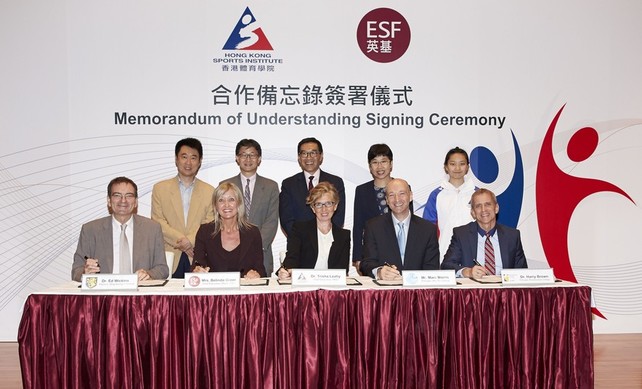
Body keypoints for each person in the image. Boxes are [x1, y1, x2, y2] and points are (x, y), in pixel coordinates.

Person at [72, 177, 169, 281]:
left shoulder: (152, 229)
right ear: (109, 200)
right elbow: (76, 271)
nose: (123, 201)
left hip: (139, 293)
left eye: (129, 196)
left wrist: (149, 274)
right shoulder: (90, 230)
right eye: (117, 195)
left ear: (136, 202)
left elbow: (162, 269)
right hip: (104, 294)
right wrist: (85, 272)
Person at [151, 138, 215, 278]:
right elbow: (158, 222)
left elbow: (209, 223)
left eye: (193, 158)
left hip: (198, 256)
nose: (188, 162)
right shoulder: (160, 189)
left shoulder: (210, 191)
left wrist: (190, 241)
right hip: (169, 255)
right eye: (184, 157)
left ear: (199, 161)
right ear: (176, 159)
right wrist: (183, 241)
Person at [359, 178, 440, 280]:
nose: (397, 199)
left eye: (402, 193)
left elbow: (432, 267)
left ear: (410, 196)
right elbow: (366, 263)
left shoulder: (428, 229)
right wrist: (379, 272)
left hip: (417, 292)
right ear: (387, 200)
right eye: (391, 195)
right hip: (386, 292)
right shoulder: (373, 226)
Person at [220, 139, 279, 275]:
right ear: (237, 158)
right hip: (230, 254)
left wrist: (252, 247)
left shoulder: (271, 187)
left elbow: (271, 222)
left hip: (260, 255)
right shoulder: (225, 185)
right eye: (243, 155)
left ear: (259, 159)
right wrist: (236, 247)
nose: (248, 159)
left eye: (252, 155)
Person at [441, 188, 527, 278]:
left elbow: (522, 272)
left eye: (487, 204)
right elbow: (446, 266)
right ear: (473, 213)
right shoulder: (461, 235)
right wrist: (467, 272)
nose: (483, 210)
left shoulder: (512, 236)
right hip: (474, 290)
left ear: (496, 208)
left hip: (504, 290)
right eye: (478, 206)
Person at [277, 182, 350, 280]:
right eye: (319, 204)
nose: (324, 209)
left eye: (328, 203)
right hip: (305, 290)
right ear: (313, 208)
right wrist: (284, 271)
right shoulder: (300, 230)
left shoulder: (343, 236)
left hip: (332, 290)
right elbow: (291, 259)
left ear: (335, 206)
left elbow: (343, 271)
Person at [192, 182, 266, 278]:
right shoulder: (204, 231)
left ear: (239, 203)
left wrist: (257, 274)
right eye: (221, 200)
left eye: (231, 200)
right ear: (215, 206)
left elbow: (260, 269)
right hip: (214, 291)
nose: (226, 205)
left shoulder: (253, 232)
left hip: (244, 291)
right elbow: (197, 264)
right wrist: (197, 270)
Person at [279, 137, 345, 236]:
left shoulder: (336, 182)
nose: (308, 157)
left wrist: (325, 237)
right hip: (299, 245)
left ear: (321, 156)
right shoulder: (289, 184)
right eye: (304, 153)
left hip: (329, 242)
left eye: (313, 153)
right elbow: (286, 219)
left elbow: (338, 216)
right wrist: (302, 240)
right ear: (299, 157)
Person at [422, 147, 476, 263]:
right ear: (446, 167)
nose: (457, 168)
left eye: (462, 164)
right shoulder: (436, 195)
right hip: (444, 254)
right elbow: (428, 229)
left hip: (474, 254)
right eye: (452, 164)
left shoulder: (477, 194)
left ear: (467, 167)